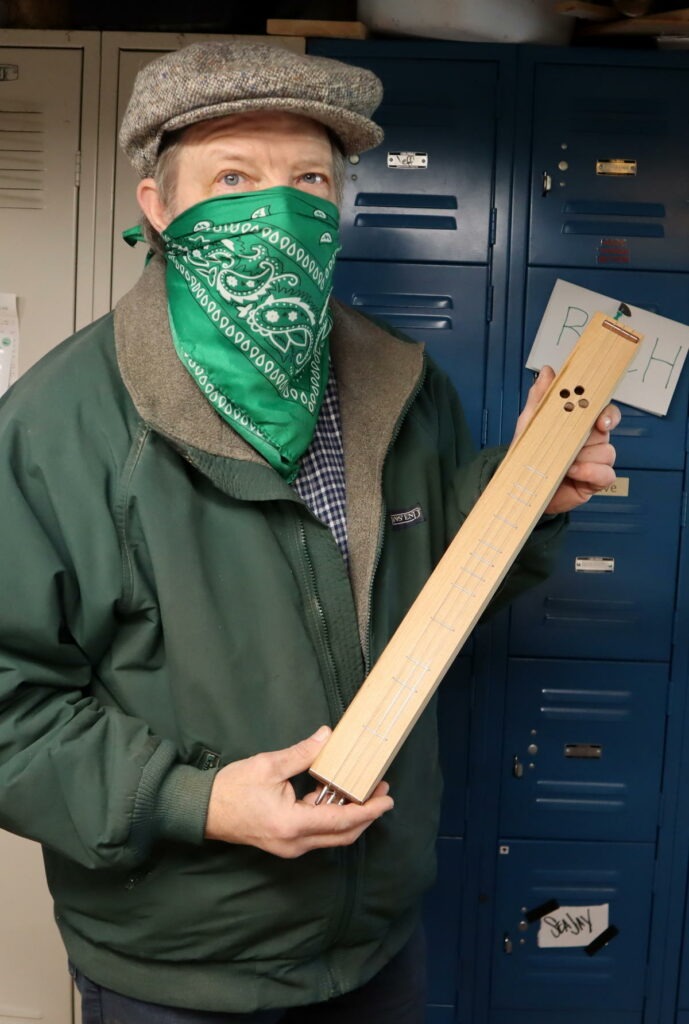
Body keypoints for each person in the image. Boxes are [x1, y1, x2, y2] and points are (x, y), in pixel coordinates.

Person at [0, 41, 620, 1024]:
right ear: (156, 206)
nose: (276, 208)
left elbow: (433, 592)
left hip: (373, 944)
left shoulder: (403, 389)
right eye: (234, 177)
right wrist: (198, 801)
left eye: (309, 180)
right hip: (180, 970)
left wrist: (522, 498)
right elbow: (9, 711)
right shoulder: (52, 430)